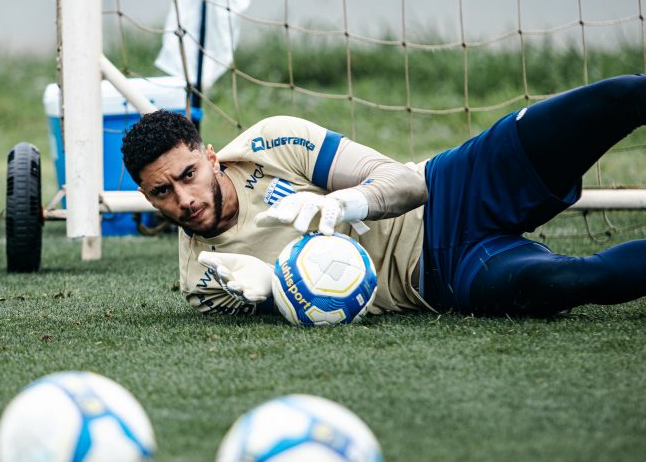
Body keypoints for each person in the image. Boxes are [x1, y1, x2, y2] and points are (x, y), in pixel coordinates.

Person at [121, 75, 646, 317]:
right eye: (161, 192)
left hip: (454, 187)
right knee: (576, 280)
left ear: (210, 156)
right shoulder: (203, 280)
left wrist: (339, 204)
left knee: (615, 98)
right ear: (147, 196)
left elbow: (407, 183)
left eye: (188, 174)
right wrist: (273, 290)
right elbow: (306, 315)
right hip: (444, 278)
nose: (183, 199)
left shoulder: (271, 141)